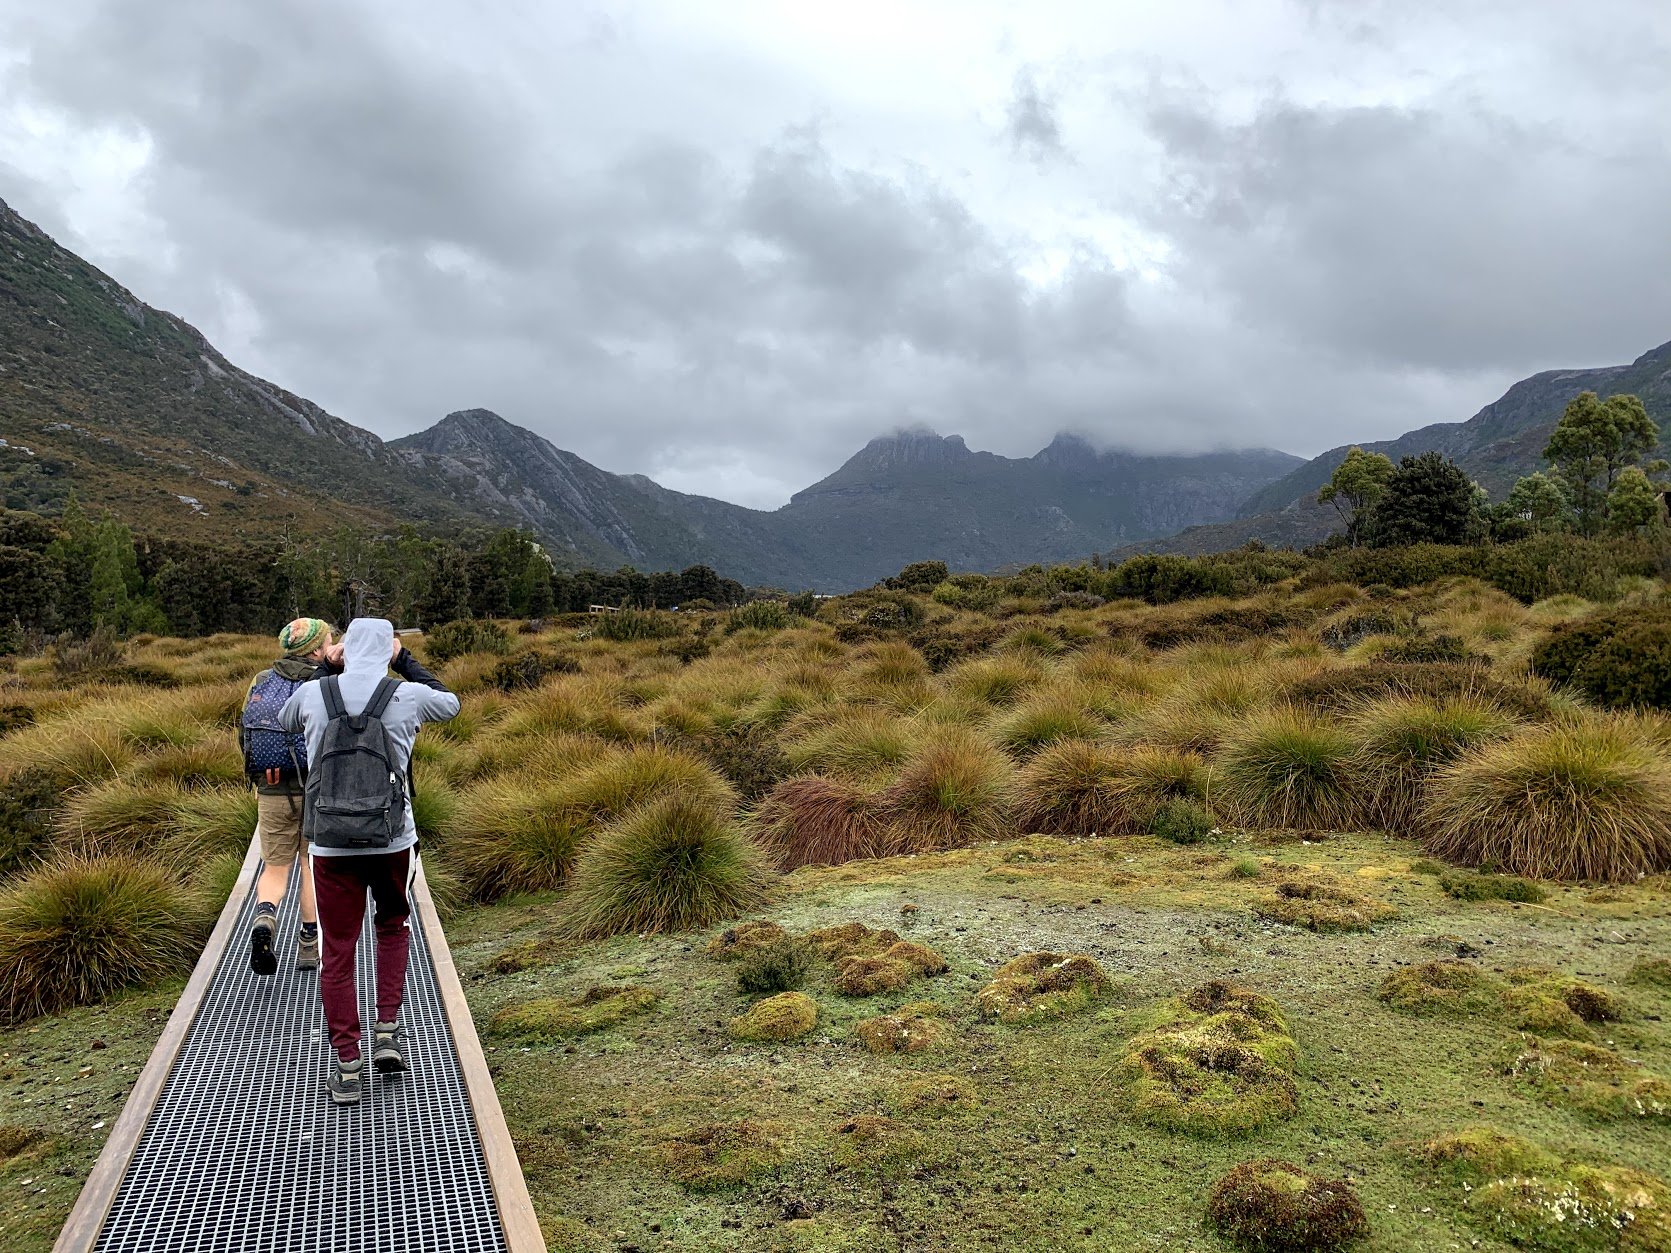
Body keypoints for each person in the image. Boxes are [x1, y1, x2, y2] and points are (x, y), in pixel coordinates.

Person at [279, 618, 458, 1106]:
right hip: (392, 839)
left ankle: (348, 1065)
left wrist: (327, 671)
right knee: (393, 928)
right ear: (387, 650)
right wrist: (404, 662)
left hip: (331, 845)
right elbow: (450, 702)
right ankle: (386, 1032)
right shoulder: (408, 696)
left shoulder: (317, 694)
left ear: (344, 649)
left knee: (337, 950)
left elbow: (285, 718)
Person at [238, 617, 339, 976]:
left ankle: (265, 917)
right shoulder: (328, 681)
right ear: (315, 649)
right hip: (318, 787)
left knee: (275, 868)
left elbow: (245, 732)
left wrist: (259, 774)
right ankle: (309, 944)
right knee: (312, 866)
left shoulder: (263, 680)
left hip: (272, 788)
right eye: (329, 641)